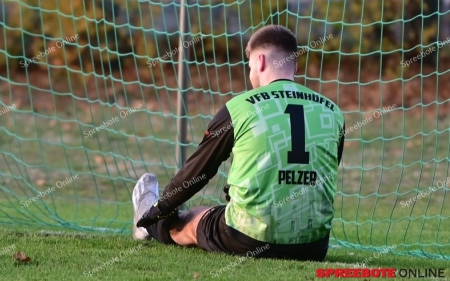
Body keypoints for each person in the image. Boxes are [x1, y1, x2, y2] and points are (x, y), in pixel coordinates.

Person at [133, 25, 344, 262]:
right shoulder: (333, 112)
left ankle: (144, 221)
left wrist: (157, 212)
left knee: (191, 219)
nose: (251, 72)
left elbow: (198, 172)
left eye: (250, 65)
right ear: (295, 66)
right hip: (313, 248)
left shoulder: (241, 107)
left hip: (247, 237)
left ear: (261, 61)